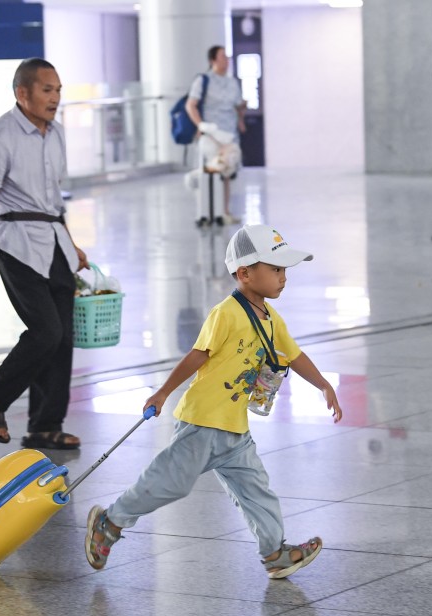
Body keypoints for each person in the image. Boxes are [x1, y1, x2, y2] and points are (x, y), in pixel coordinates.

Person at [85, 224, 343, 579]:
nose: (284, 278)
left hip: (235, 429)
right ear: (244, 273)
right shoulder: (227, 313)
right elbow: (197, 355)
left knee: (257, 491)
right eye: (276, 269)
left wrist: (323, 384)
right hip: (204, 422)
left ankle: (274, 553)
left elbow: (294, 355)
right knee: (170, 482)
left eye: (285, 270)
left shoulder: (271, 318)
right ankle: (109, 523)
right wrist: (163, 392)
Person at [0, 57, 90, 450]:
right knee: (45, 331)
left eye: (58, 91)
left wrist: (71, 244)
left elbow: (54, 199)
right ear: (23, 93)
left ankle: (44, 425)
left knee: (63, 338)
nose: (54, 98)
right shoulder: (0, 136)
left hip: (53, 240)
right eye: (47, 90)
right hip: (15, 243)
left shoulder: (57, 133)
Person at [185, 45, 247, 226]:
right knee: (210, 171)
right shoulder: (203, 81)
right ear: (212, 60)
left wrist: (241, 118)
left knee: (227, 172)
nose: (226, 60)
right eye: (222, 57)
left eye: (227, 57)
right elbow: (191, 105)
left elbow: (236, 106)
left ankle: (223, 212)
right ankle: (205, 212)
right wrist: (200, 125)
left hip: (230, 134)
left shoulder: (232, 83)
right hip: (211, 134)